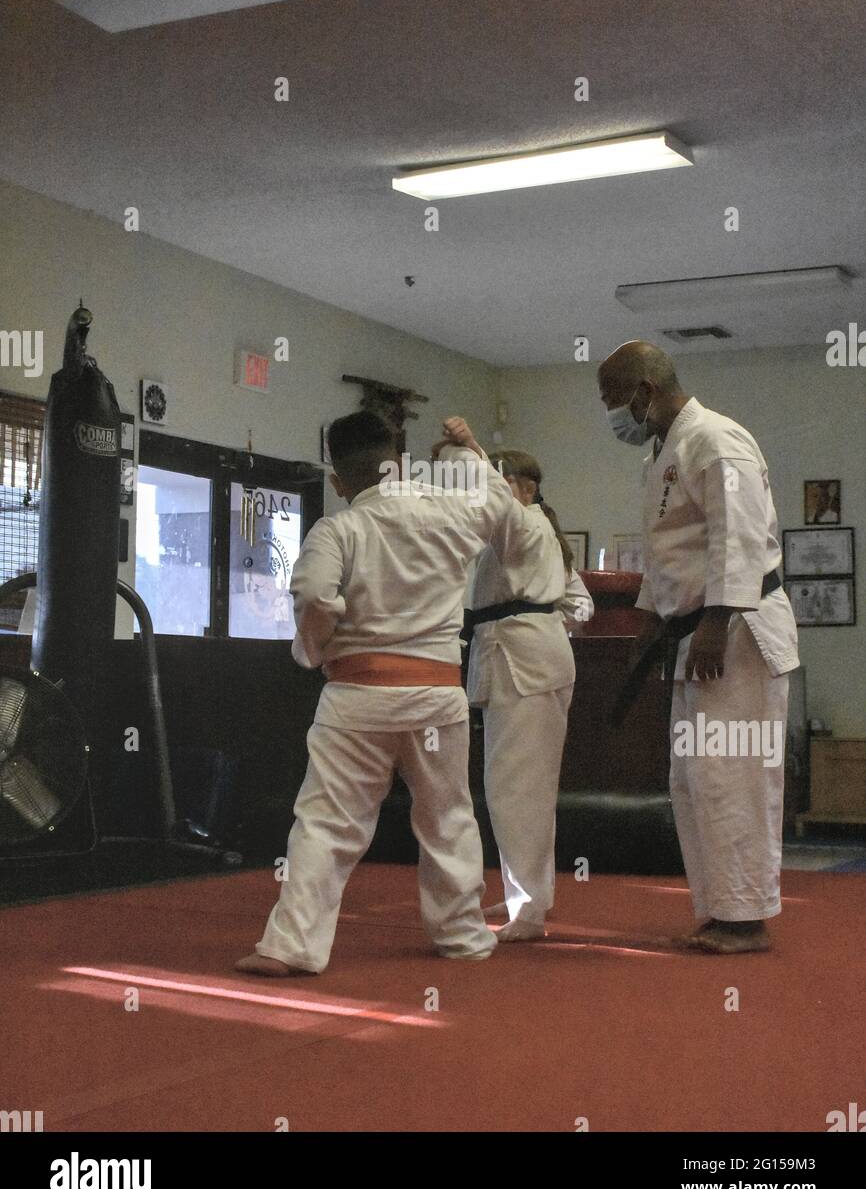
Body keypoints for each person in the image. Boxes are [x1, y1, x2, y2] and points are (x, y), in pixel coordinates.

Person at [236, 410, 534, 976]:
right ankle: (463, 935)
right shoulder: (450, 511)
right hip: (437, 696)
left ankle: (292, 947)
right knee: (447, 817)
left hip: (357, 696)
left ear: (337, 481)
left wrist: (314, 652)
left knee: (326, 823)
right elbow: (498, 502)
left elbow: (316, 599)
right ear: (398, 465)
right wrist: (469, 450)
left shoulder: (338, 530)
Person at [598, 341, 799, 955]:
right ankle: (721, 909)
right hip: (692, 635)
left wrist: (714, 622)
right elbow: (670, 559)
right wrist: (648, 627)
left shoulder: (716, 439)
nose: (613, 417)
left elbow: (736, 539)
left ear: (644, 392)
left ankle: (746, 919)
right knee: (694, 780)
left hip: (736, 634)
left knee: (734, 775)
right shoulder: (667, 450)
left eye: (614, 402)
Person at [465, 449, 593, 940]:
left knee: (517, 789)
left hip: (528, 662)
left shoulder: (527, 526)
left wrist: (473, 449)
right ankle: (528, 892)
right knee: (512, 787)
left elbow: (579, 603)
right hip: (515, 659)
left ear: (527, 488)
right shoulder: (513, 534)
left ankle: (529, 908)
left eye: (502, 482)